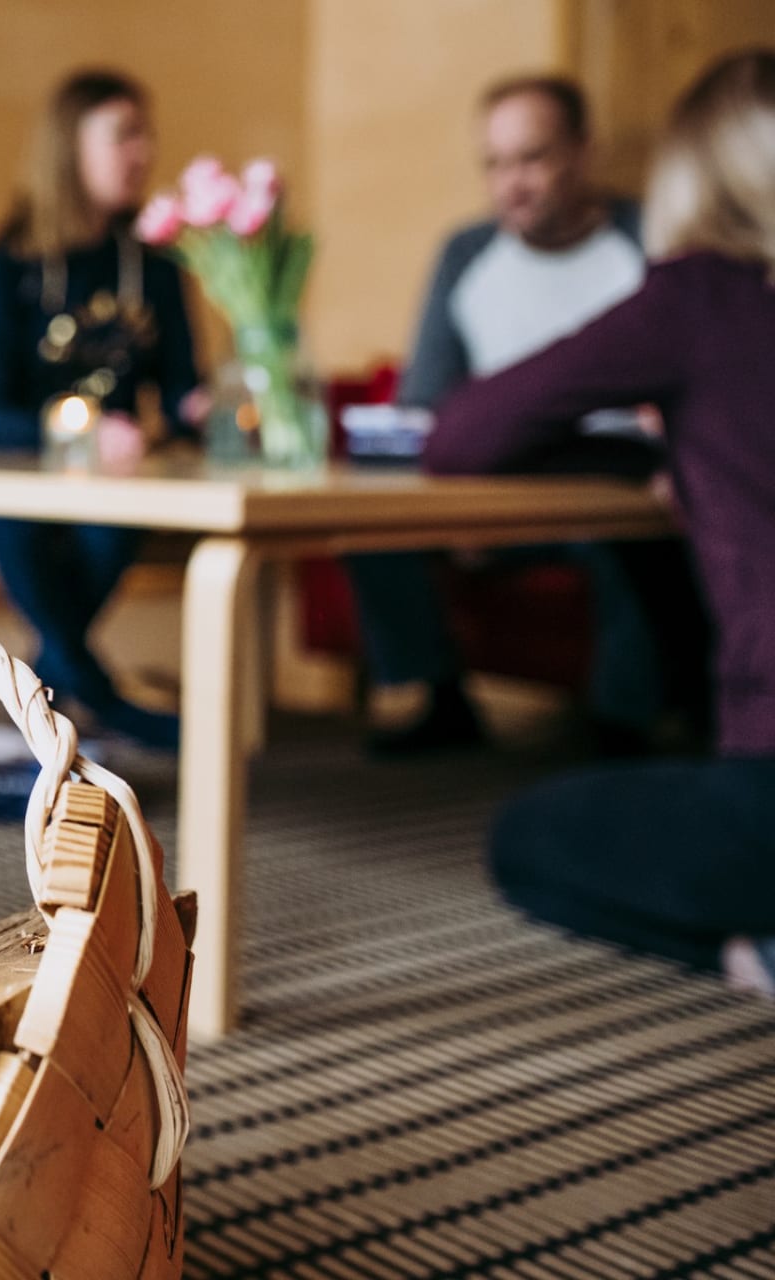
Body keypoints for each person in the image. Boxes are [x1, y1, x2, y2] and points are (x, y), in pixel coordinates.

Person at [423, 49, 775, 993]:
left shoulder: (701, 293)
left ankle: (755, 950)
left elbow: (459, 432)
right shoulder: (472, 258)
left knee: (528, 841)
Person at [347, 75, 699, 757]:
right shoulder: (467, 253)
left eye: (532, 159)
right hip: (495, 476)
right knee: (362, 522)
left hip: (615, 482)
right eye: (495, 164)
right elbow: (425, 402)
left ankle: (624, 728)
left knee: (631, 540)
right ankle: (436, 695)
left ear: (583, 153)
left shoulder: (650, 239)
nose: (512, 183)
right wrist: (461, 506)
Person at [0, 69, 199, 751]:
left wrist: (201, 405)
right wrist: (80, 434)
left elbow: (184, 392)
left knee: (110, 519)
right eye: (125, 134)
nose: (144, 152)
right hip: (21, 470)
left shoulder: (157, 265)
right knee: (10, 518)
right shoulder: (8, 265)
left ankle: (46, 683)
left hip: (121, 480)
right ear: (70, 146)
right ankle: (97, 693)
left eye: (146, 135)